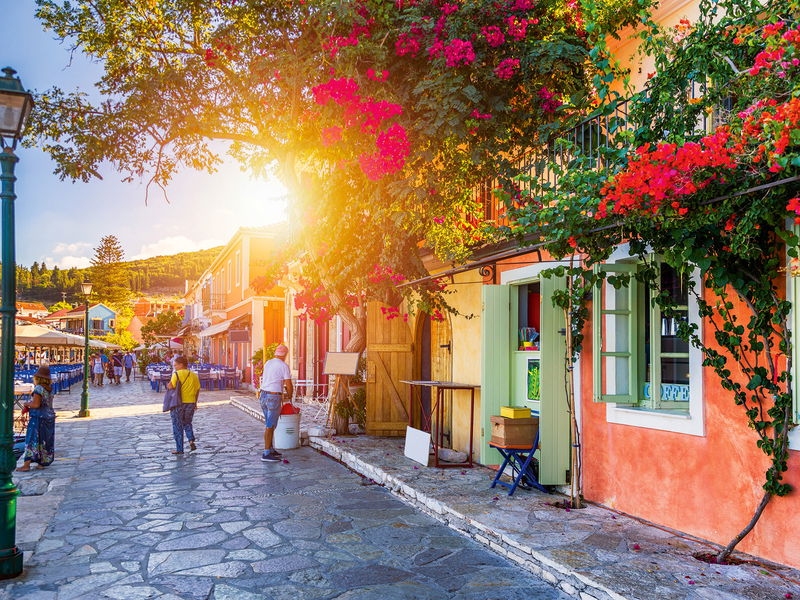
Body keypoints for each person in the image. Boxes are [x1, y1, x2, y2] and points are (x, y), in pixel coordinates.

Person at [258, 344, 293, 463]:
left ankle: (271, 449)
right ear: (285, 355)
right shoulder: (283, 366)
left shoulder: (268, 363)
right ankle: (266, 452)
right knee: (270, 425)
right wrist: (290, 395)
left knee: (269, 423)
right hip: (273, 396)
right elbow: (288, 383)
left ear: (276, 353)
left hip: (263, 394)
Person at [17, 366, 56, 471]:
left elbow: (36, 404)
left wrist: (26, 403)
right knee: (44, 440)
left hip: (39, 418)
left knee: (32, 439)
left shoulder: (38, 388)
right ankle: (41, 463)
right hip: (49, 417)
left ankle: (26, 465)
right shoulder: (50, 389)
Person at [167, 356, 200, 455]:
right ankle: (191, 440)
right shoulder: (194, 375)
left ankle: (179, 449)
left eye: (175, 365)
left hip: (178, 404)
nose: (175, 367)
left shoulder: (176, 374)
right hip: (190, 402)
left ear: (181, 365)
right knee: (187, 422)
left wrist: (168, 386)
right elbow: (197, 390)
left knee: (177, 425)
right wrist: (195, 402)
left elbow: (171, 387)